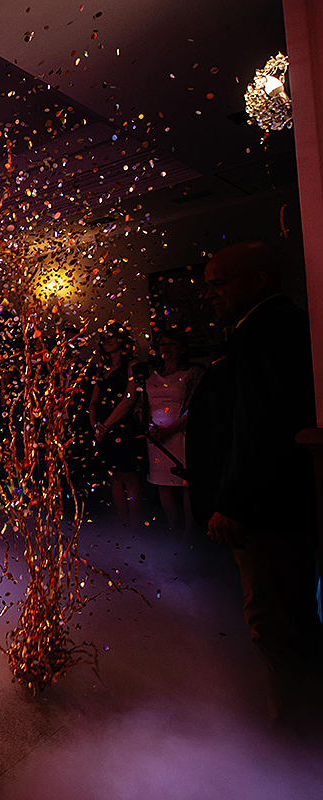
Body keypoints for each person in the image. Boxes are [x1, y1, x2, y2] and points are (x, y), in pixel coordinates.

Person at [186, 240, 322, 730]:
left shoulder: (270, 330)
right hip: (265, 505)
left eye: (219, 284)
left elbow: (262, 426)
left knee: (276, 623)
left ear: (259, 280)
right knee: (280, 617)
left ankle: (298, 736)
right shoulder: (261, 328)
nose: (210, 294)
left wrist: (234, 502)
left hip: (267, 510)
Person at [145, 329, 202, 535]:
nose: (166, 348)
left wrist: (171, 429)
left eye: (172, 344)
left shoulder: (193, 373)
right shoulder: (151, 376)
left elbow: (195, 406)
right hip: (156, 436)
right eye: (163, 344)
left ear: (182, 348)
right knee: (163, 483)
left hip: (181, 434)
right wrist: (152, 429)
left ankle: (190, 531)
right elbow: (143, 405)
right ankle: (174, 528)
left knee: (186, 482)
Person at [89, 324, 145, 526]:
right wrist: (95, 425)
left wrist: (105, 425)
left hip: (124, 425)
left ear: (122, 340)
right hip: (104, 429)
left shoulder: (131, 364)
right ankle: (123, 524)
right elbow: (93, 401)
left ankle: (135, 526)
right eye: (104, 339)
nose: (108, 341)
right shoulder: (102, 369)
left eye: (112, 337)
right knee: (114, 477)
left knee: (129, 477)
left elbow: (129, 398)